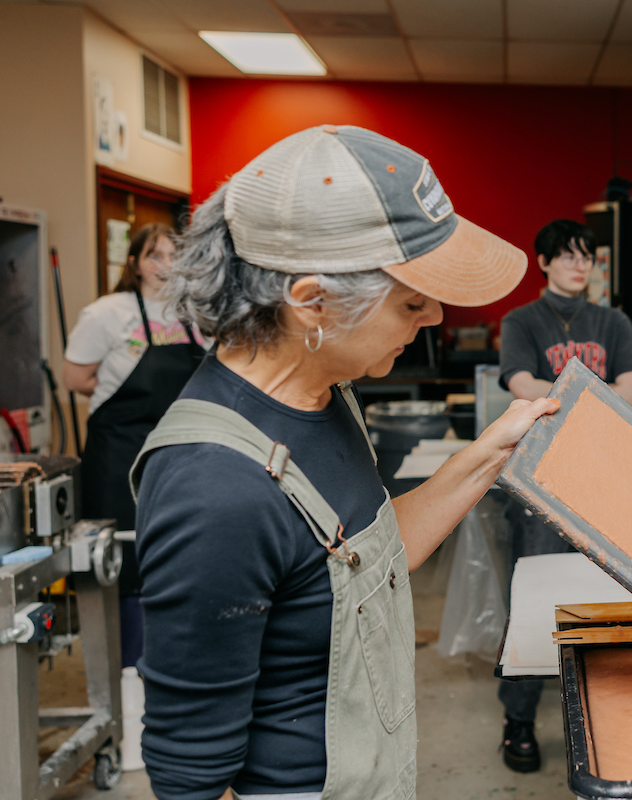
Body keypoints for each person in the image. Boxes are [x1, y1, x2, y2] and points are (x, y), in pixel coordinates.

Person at [130, 125, 557, 800]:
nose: (434, 315)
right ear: (312, 302)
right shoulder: (216, 488)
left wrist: (493, 452)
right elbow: (191, 778)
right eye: (411, 301)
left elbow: (366, 561)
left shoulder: (327, 394)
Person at [495, 218, 632, 772]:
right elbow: (521, 385)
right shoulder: (522, 320)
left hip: (606, 480)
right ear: (543, 262)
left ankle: (604, 714)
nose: (580, 266)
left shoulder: (613, 321)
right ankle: (518, 718)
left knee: (607, 595)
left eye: (587, 257)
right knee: (534, 597)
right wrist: (597, 396)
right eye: (568, 256)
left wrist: (563, 396)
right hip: (540, 479)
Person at [62, 223, 205, 668]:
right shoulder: (107, 313)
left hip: (182, 452)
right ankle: (125, 667)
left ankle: (179, 660)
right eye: (154, 256)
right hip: (118, 455)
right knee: (125, 561)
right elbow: (76, 378)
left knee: (183, 551)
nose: (165, 266)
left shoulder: (198, 310)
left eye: (173, 255)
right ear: (134, 264)